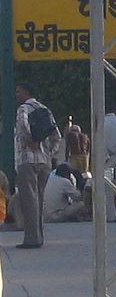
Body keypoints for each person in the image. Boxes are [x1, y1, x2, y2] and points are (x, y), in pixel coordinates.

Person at [13, 82, 61, 249]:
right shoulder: (45, 109)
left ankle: (31, 238)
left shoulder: (23, 109)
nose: (16, 95)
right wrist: (49, 153)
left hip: (27, 159)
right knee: (39, 198)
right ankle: (40, 236)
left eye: (18, 91)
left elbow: (22, 127)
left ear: (26, 91)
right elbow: (57, 135)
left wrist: (32, 141)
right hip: (44, 162)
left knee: (29, 200)